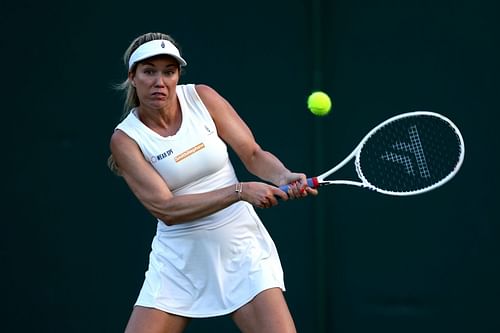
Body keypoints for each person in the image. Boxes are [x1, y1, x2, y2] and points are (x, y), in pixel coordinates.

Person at [108, 32, 317, 333]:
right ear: (133, 76)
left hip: (240, 249)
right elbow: (166, 209)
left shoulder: (202, 97)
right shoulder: (125, 139)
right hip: (179, 262)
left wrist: (283, 176)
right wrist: (240, 191)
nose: (160, 81)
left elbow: (253, 153)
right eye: (149, 71)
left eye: (169, 72)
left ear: (178, 74)